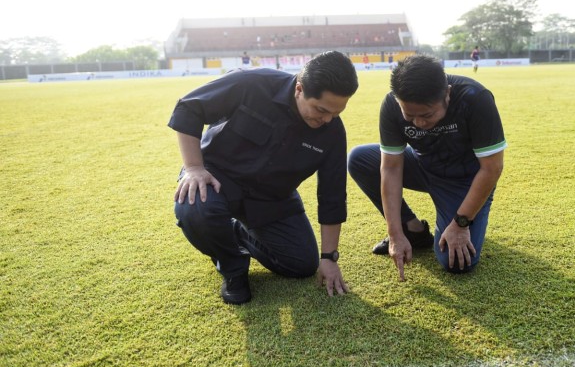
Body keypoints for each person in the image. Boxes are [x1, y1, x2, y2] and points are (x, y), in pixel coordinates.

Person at [169, 51, 359, 304]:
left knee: (301, 264)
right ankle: (233, 267)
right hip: (217, 178)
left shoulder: (332, 131)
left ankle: (234, 232)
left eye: (336, 113)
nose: (327, 120)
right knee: (195, 207)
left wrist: (329, 257)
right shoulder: (251, 83)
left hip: (273, 197)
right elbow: (189, 108)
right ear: (300, 89)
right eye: (321, 110)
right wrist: (193, 168)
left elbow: (332, 195)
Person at [347, 55, 506, 280]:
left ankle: (462, 217)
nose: (419, 122)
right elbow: (391, 167)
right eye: (409, 115)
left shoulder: (474, 97)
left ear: (447, 94)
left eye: (427, 114)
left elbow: (492, 168)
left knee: (458, 263)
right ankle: (413, 231)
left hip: (464, 182)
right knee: (359, 159)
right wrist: (395, 233)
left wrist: (461, 224)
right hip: (424, 167)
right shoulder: (391, 104)